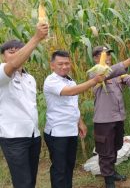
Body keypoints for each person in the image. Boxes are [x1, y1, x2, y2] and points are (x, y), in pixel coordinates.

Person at [43, 50, 105, 188]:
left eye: (67, 63)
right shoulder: (51, 80)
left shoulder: (70, 80)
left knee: (69, 166)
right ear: (52, 65)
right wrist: (94, 80)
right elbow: (71, 92)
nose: (64, 66)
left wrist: (80, 122)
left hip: (71, 131)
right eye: (60, 64)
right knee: (60, 168)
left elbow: (72, 104)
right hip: (57, 132)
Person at [89, 46, 130, 188]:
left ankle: (111, 172)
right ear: (95, 58)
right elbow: (108, 74)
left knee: (116, 146)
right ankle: (108, 180)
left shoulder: (116, 74)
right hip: (104, 120)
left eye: (108, 55)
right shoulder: (95, 73)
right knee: (105, 151)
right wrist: (127, 62)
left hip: (118, 118)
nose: (107, 58)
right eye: (103, 55)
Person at [0, 23, 48, 188]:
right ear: (2, 57)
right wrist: (36, 38)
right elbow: (12, 65)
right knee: (23, 183)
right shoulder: (1, 74)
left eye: (19, 52)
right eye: (10, 52)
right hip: (13, 138)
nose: (15, 55)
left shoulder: (30, 79)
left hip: (33, 136)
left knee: (31, 181)